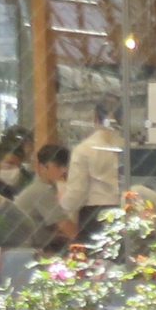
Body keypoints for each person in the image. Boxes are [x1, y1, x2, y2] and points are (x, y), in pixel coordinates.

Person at [60, 102, 124, 241]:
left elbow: (77, 193)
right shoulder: (125, 146)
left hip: (93, 216)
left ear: (95, 118)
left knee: (94, 260)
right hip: (123, 210)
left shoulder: (84, 149)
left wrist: (61, 203)